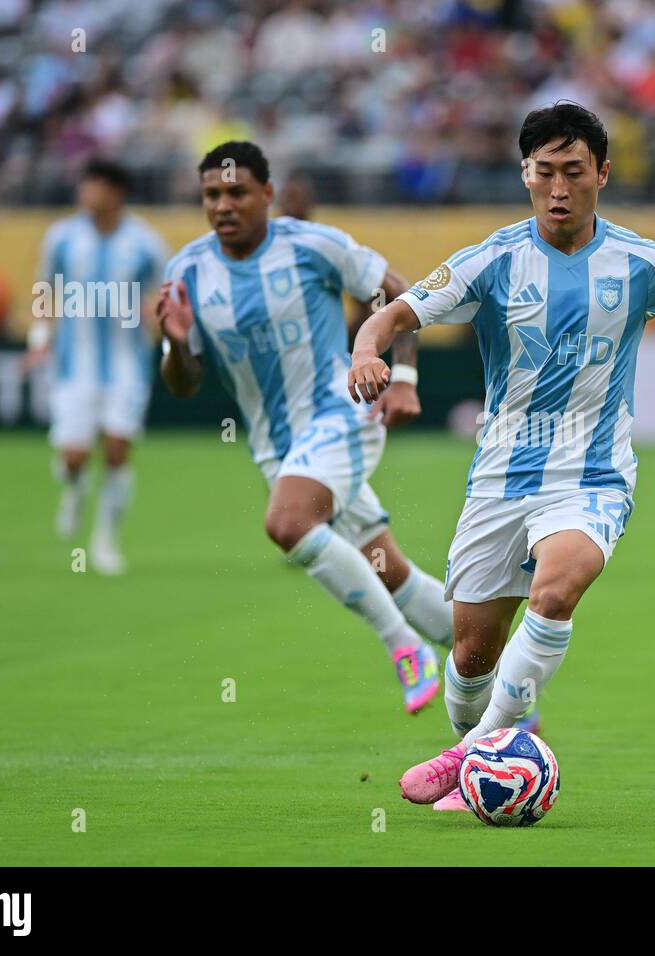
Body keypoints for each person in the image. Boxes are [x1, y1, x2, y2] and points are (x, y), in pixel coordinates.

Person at [348, 103, 655, 812]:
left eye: (574, 171)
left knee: (557, 591)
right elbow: (394, 314)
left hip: (593, 474)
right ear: (525, 175)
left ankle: (468, 759)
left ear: (603, 173)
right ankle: (481, 742)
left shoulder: (642, 263)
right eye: (545, 172)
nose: (559, 188)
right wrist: (364, 352)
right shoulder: (491, 259)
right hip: (501, 479)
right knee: (471, 659)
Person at [155, 141, 453, 714]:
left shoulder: (314, 245)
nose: (223, 205)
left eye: (237, 192)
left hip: (343, 410)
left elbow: (400, 296)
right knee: (389, 572)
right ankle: (508, 684)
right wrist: (177, 341)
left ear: (267, 193)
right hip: (278, 448)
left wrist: (405, 377)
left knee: (288, 523)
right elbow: (183, 384)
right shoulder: (187, 271)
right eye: (211, 195)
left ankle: (406, 648)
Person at [24, 158, 168, 574]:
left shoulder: (145, 242)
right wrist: (39, 340)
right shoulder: (62, 237)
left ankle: (105, 541)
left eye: (95, 186)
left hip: (127, 364)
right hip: (75, 365)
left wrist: (158, 316)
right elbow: (44, 289)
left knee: (118, 450)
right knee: (74, 457)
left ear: (115, 192)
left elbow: (169, 291)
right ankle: (74, 488)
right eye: (84, 186)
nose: (86, 194)